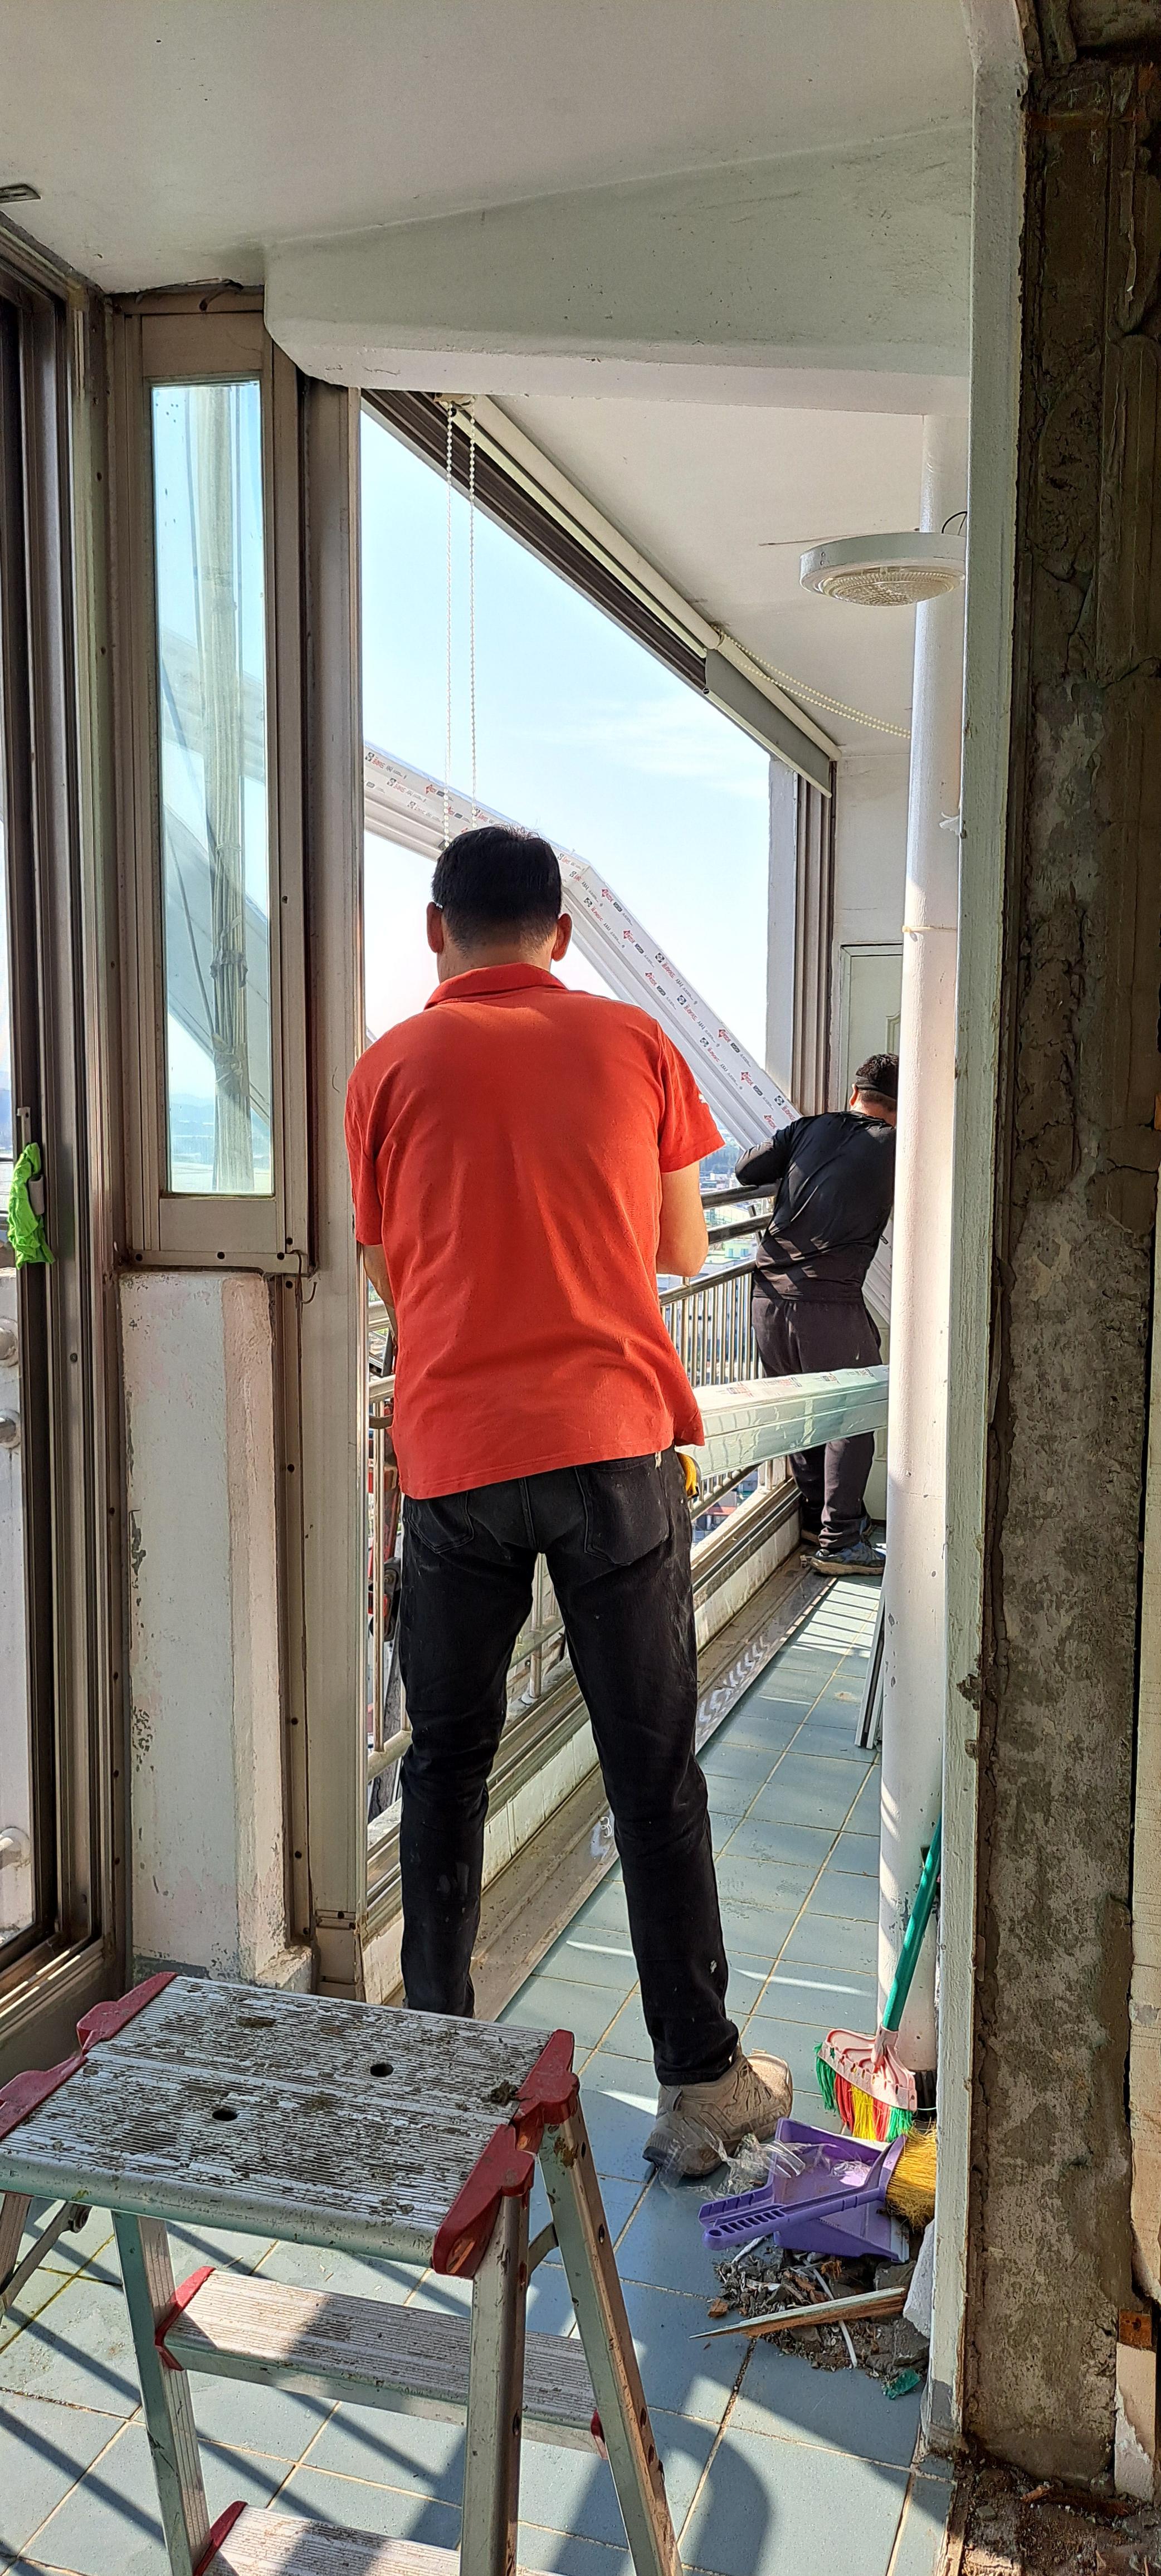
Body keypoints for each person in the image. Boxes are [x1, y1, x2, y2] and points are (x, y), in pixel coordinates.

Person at [345, 824, 791, 2176]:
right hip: (609, 1448)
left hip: (455, 1457)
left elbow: (390, 1271)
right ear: (559, 931)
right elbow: (680, 1243)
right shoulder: (634, 1042)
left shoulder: (386, 1067)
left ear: (436, 929)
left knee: (444, 1764)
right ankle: (702, 2085)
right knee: (651, 1771)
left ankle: (440, 2069)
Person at [734, 1053, 898, 1574]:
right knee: (856, 1411)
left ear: (855, 1095)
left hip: (767, 1294)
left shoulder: (810, 1128)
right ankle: (840, 1539)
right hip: (828, 1301)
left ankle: (814, 1518)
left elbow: (745, 1170)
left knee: (799, 1406)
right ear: (904, 1107)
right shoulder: (897, 1147)